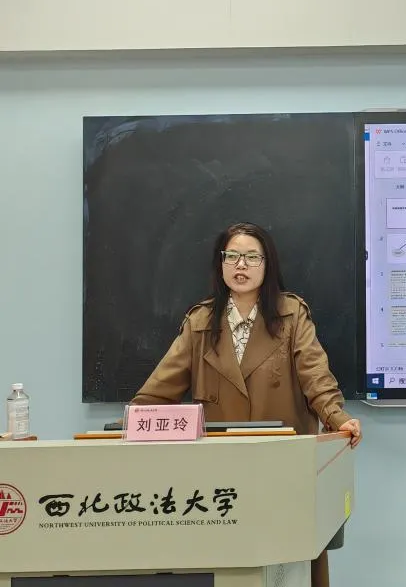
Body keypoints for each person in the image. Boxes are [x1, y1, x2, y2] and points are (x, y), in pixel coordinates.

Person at [131, 222, 360, 587]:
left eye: (252, 257)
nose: (241, 265)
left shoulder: (291, 314)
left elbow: (316, 378)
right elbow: (155, 396)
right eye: (232, 256)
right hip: (220, 476)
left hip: (283, 469)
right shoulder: (201, 323)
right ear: (220, 264)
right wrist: (129, 428)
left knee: (290, 568)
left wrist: (337, 417)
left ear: (267, 265)